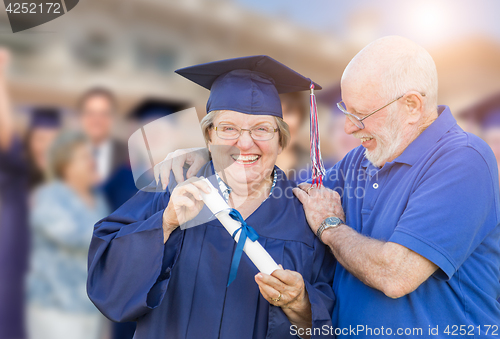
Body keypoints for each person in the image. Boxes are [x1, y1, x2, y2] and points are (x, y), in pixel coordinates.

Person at [158, 37, 500, 338]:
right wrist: (225, 150)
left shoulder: (463, 160)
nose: (350, 128)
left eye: (361, 114)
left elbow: (396, 275)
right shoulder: (360, 162)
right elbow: (283, 193)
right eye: (345, 111)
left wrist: (330, 228)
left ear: (411, 106)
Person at [87, 55, 336, 339]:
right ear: (209, 136)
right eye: (228, 128)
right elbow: (108, 286)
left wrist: (302, 305)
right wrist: (164, 224)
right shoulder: (171, 191)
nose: (245, 142)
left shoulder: (305, 218)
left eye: (262, 129)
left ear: (281, 140)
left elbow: (331, 323)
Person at [0, 49, 61, 339]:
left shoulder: (66, 187)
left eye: (51, 141)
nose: (44, 147)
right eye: (39, 139)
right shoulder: (18, 172)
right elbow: (5, 135)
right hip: (12, 277)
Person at [27, 131, 108, 339]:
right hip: (56, 311)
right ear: (65, 165)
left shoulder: (99, 201)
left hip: (90, 310)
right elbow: (79, 238)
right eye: (84, 157)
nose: (92, 162)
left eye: (92, 156)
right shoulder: (50, 197)